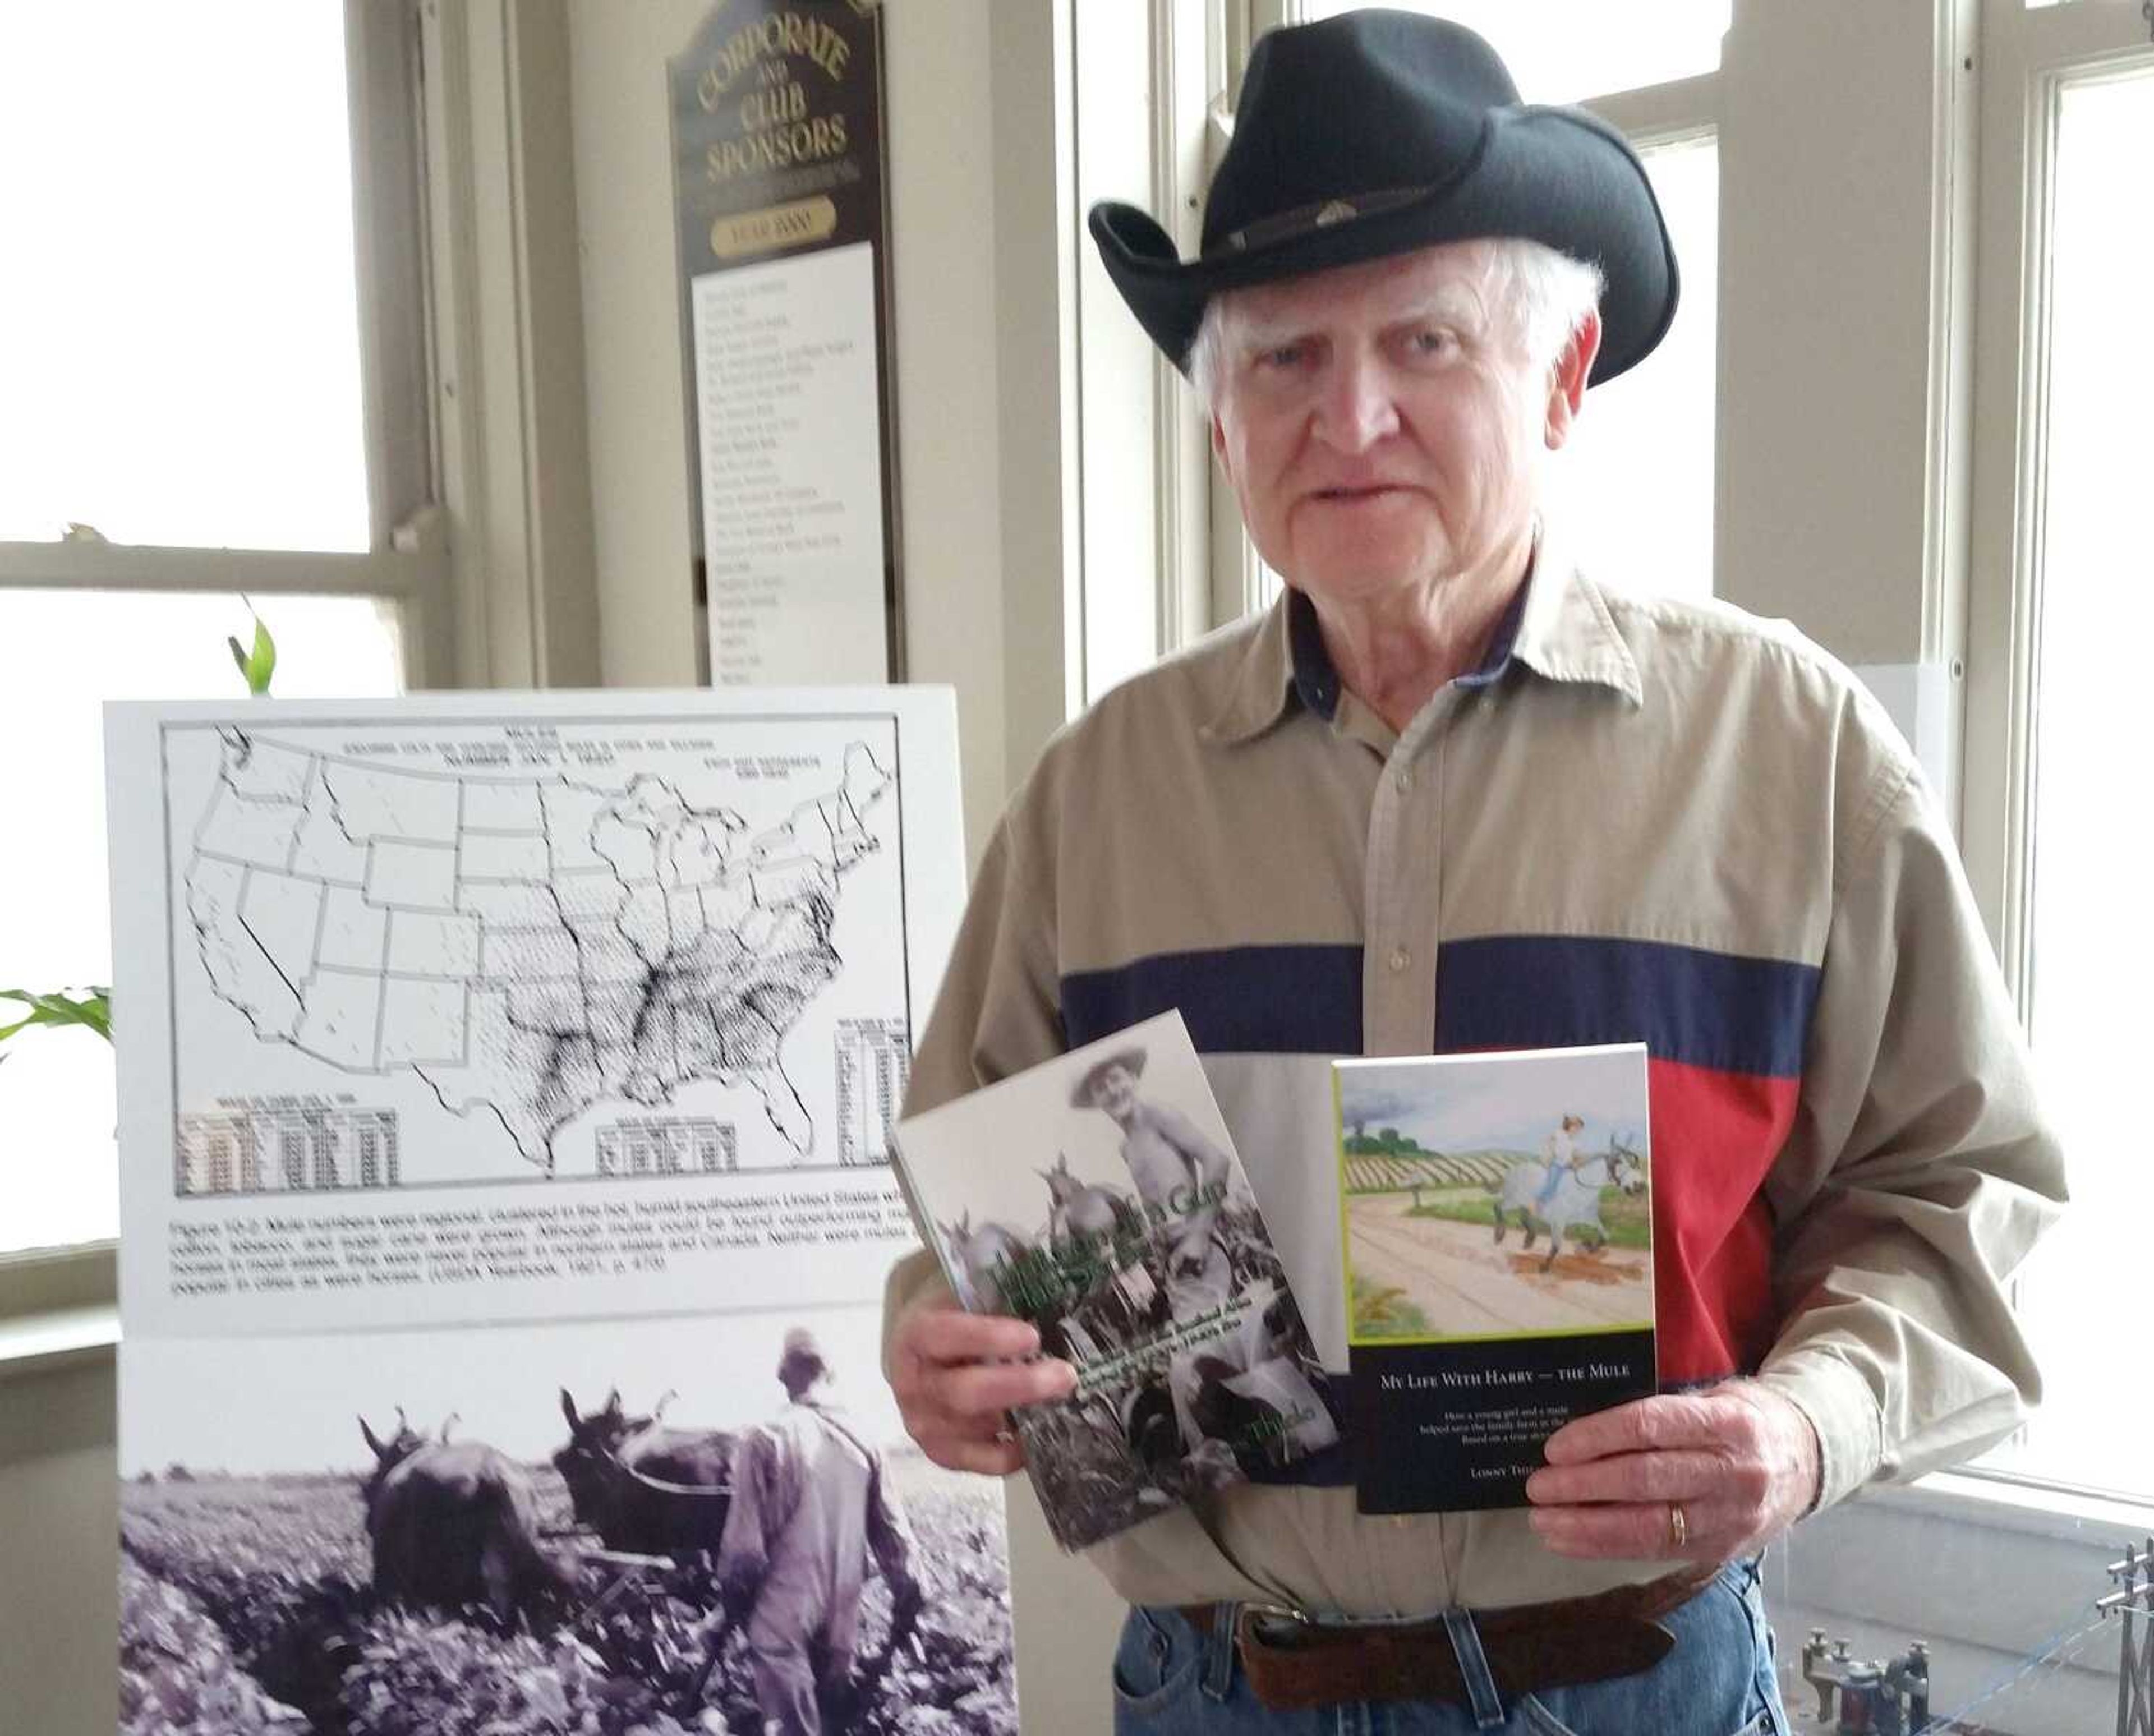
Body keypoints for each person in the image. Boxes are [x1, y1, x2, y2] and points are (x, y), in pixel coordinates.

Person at [882, 11, 2065, 1732]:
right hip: (1215, 1687)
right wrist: (951, 1346)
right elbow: (975, 1222)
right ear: (1218, 422)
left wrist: (1804, 1421)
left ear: (1561, 375)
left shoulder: (1785, 753)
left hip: (1625, 1683)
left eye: (1421, 340)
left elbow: (1953, 1183)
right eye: (1280, 358)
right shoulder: (1098, 797)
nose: (1345, 415)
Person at [716, 1328, 920, 1736]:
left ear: (783, 1376)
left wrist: (729, 1609)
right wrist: (909, 1598)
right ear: (830, 1372)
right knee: (831, 1721)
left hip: (782, 1614)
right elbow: (895, 1539)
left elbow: (744, 1554)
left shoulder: (765, 1437)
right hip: (843, 1611)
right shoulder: (866, 1440)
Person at [1532, 1112, 1587, 1217]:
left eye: (1580, 1129)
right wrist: (1550, 1151)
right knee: (1552, 1184)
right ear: (1570, 1126)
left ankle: (1557, 1208)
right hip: (1557, 1164)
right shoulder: (1560, 1134)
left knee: (1569, 1185)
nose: (1578, 1130)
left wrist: (1578, 1162)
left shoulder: (1576, 1142)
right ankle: (1537, 1202)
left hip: (1567, 1167)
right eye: (1577, 1127)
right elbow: (1549, 1143)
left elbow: (1577, 1155)